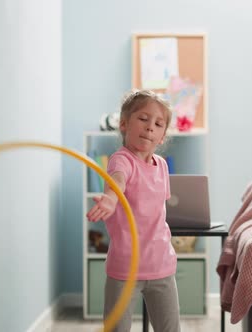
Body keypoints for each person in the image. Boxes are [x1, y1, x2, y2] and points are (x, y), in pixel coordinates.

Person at [86, 89, 180, 332]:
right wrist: (110, 198)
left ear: (162, 137)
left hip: (161, 264)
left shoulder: (161, 167)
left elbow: (157, 211)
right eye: (143, 119)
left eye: (158, 124)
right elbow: (117, 180)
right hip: (126, 268)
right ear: (124, 124)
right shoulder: (122, 160)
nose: (150, 127)